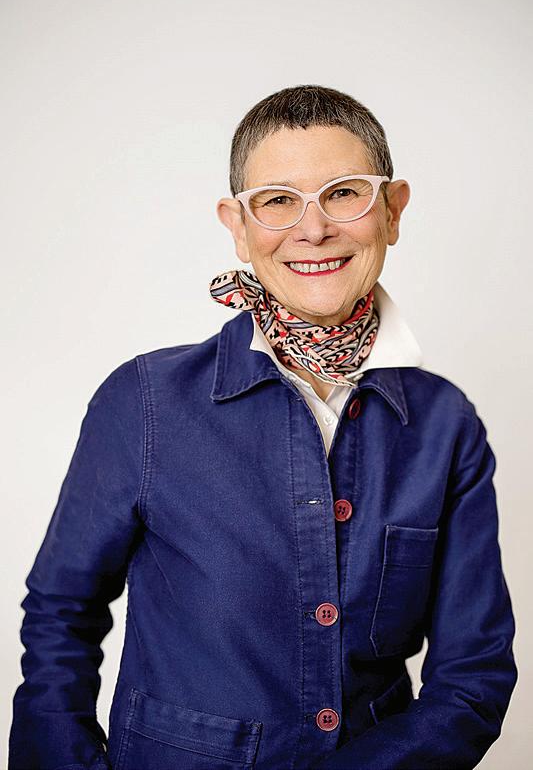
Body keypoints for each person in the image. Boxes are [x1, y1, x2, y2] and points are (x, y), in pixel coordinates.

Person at [9, 84, 518, 770]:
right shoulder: (144, 401)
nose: (313, 230)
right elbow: (59, 616)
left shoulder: (444, 424)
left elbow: (472, 678)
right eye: (277, 201)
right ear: (238, 226)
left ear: (392, 211)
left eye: (344, 193)